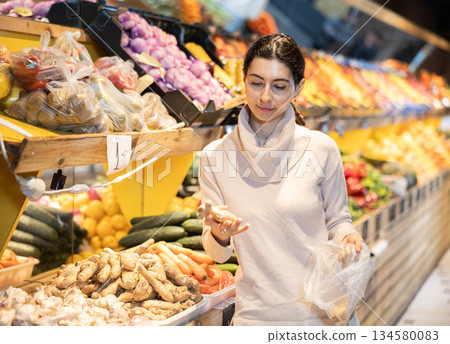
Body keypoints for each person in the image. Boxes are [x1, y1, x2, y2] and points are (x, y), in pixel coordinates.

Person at [199, 33, 364, 326]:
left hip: (318, 318)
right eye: (256, 82)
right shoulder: (214, 157)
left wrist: (348, 237)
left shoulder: (321, 148)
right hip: (254, 320)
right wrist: (220, 233)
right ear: (244, 80)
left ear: (297, 88)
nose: (265, 97)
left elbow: (339, 221)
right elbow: (216, 253)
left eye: (279, 86)